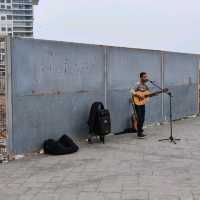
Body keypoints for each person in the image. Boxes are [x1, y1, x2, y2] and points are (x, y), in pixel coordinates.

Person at [130, 72, 149, 138]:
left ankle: (140, 131)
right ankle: (139, 132)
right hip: (137, 102)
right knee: (140, 118)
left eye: (146, 77)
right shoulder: (138, 84)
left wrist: (154, 94)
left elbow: (147, 93)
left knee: (143, 118)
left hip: (142, 102)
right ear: (141, 78)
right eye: (144, 77)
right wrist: (138, 95)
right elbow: (132, 90)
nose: (146, 78)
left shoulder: (145, 85)